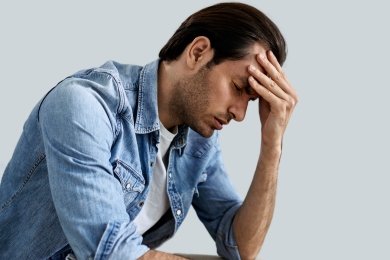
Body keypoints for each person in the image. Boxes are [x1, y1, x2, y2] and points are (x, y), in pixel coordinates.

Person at [0, 2, 298, 260]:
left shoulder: (199, 139)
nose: (240, 113)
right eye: (238, 88)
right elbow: (111, 253)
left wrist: (272, 146)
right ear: (198, 52)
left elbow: (240, 247)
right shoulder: (85, 105)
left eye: (251, 101)